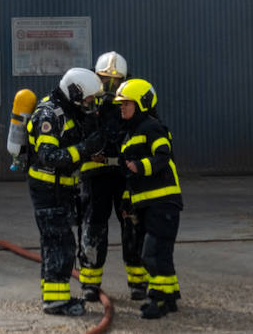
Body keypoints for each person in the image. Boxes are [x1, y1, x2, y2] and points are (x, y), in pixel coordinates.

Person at [26, 66, 105, 316]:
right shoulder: (49, 114)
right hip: (48, 188)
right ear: (74, 93)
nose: (90, 104)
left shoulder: (69, 111)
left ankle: (54, 297)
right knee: (60, 243)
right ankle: (56, 302)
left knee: (55, 243)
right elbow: (48, 156)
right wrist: (84, 149)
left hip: (62, 189)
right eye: (89, 99)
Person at [77, 51, 145, 302]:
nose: (111, 87)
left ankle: (138, 281)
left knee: (133, 222)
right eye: (105, 80)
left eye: (116, 81)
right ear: (96, 77)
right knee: (93, 226)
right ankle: (90, 284)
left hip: (125, 173)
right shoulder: (86, 103)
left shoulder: (133, 103)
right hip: (95, 174)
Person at [114, 77, 182, 320]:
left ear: (142, 104)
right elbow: (128, 175)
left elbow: (163, 154)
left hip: (162, 202)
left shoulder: (151, 127)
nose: (121, 107)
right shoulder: (130, 133)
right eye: (120, 104)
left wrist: (141, 167)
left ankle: (158, 300)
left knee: (152, 254)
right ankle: (170, 296)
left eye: (126, 103)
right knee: (159, 252)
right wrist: (125, 200)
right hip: (147, 203)